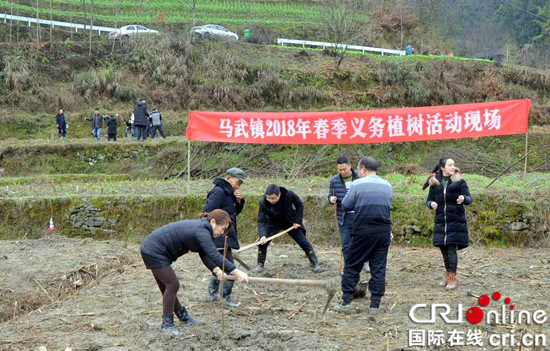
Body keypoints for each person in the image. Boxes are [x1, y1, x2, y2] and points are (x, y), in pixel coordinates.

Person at [140, 209, 249, 335]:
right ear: (213, 222)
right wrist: (237, 272)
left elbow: (204, 253)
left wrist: (216, 270)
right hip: (154, 250)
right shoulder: (201, 230)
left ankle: (182, 316)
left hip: (153, 249)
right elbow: (214, 254)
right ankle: (167, 324)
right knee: (172, 285)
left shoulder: (203, 230)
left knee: (168, 287)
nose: (222, 233)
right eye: (222, 228)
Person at [335, 157, 392, 313]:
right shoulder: (387, 185)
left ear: (363, 169)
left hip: (363, 230)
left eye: (358, 170)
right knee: (379, 267)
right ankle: (375, 304)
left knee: (353, 265)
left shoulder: (357, 184)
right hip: (383, 232)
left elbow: (346, 205)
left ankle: (345, 301)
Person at [423, 158, 472, 290]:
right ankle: (447, 275)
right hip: (440, 222)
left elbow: (469, 198)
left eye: (453, 165)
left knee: (451, 250)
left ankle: (453, 278)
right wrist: (431, 204)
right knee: (444, 250)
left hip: (456, 221)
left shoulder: (460, 181)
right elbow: (429, 200)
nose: (453, 167)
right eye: (450, 165)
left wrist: (464, 198)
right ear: (442, 167)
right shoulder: (435, 183)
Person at [203, 167, 246, 307]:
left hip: (227, 234)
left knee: (219, 265)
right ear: (228, 178)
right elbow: (208, 213)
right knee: (229, 267)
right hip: (219, 235)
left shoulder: (229, 193)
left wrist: (239, 202)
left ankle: (213, 293)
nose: (238, 185)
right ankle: (225, 297)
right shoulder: (218, 192)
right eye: (237, 182)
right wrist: (214, 232)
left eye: (240, 184)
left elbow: (232, 213)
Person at [254, 184, 321, 273]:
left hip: (289, 221)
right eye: (269, 198)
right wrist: (263, 235)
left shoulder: (288, 194)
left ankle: (315, 263)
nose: (271, 200)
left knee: (302, 241)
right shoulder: (263, 202)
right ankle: (260, 264)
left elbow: (299, 205)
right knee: (262, 243)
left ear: (279, 195)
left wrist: (298, 221)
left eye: (273, 198)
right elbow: (261, 220)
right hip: (273, 222)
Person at [328, 157, 359, 265]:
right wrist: (331, 199)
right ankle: (348, 265)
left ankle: (364, 262)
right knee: (346, 244)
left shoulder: (360, 177)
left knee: (361, 241)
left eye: (344, 169)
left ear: (350, 166)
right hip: (344, 217)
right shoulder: (334, 181)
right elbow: (330, 195)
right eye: (340, 170)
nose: (342, 172)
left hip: (360, 215)